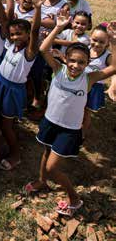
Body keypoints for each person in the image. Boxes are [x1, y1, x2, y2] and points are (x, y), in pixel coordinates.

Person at [26, 18, 116, 216]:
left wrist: (114, 41)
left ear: (88, 64)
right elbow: (43, 49)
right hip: (50, 121)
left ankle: (74, 199)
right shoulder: (59, 70)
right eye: (72, 60)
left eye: (81, 62)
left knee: (53, 168)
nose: (75, 65)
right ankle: (42, 182)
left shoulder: (89, 79)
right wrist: (58, 27)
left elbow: (114, 68)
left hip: (69, 130)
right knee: (45, 151)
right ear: (65, 59)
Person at [0, 0, 44, 171]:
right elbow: (3, 21)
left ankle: (15, 155)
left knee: (6, 125)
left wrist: (37, 8)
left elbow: (36, 30)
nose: (14, 37)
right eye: (13, 34)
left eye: (19, 34)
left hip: (13, 89)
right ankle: (1, 144)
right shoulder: (11, 44)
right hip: (0, 82)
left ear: (28, 35)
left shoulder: (29, 52)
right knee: (0, 118)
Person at [82, 24, 113, 132]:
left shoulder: (108, 56)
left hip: (94, 88)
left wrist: (113, 86)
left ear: (107, 43)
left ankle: (82, 135)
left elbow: (114, 70)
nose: (97, 44)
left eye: (101, 42)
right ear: (90, 37)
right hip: (81, 83)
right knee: (77, 109)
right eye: (94, 40)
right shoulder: (86, 48)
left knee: (86, 113)